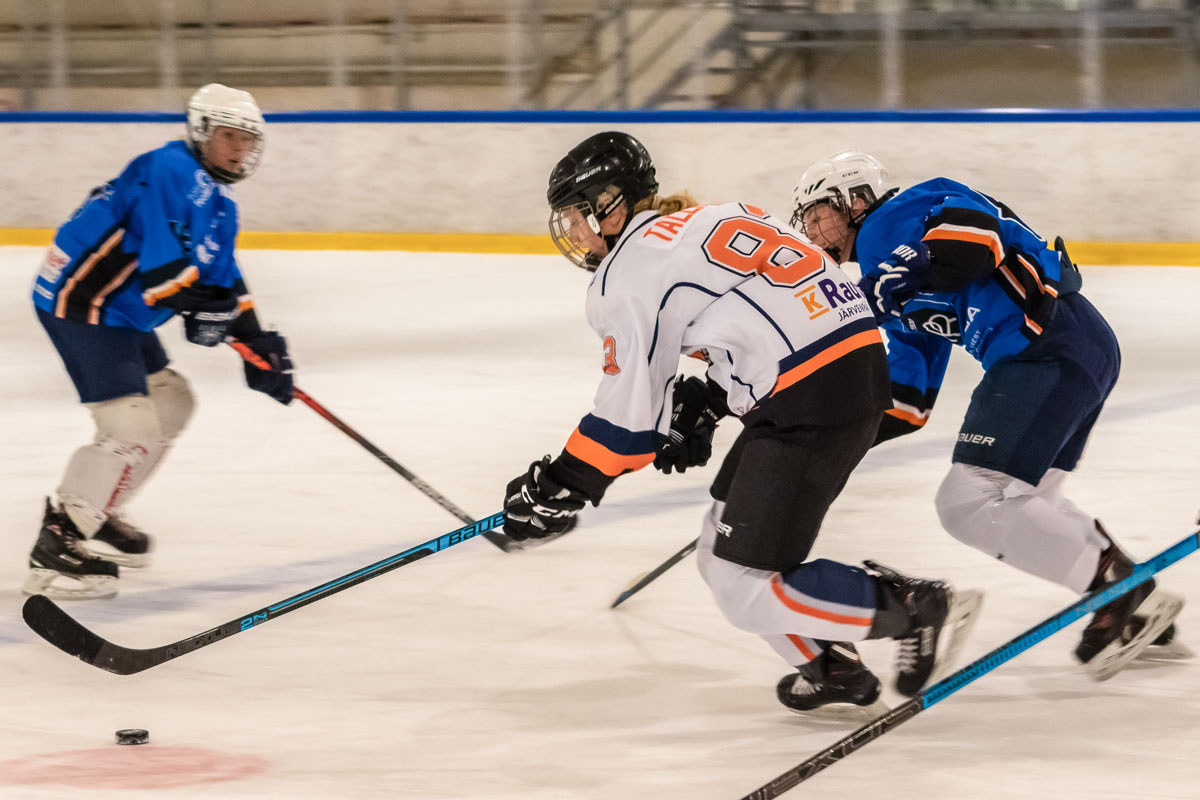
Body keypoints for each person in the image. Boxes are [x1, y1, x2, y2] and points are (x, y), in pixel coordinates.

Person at [501, 131, 979, 715]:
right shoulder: (715, 216)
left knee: (743, 585)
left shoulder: (629, 268)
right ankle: (830, 666)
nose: (574, 233)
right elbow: (769, 319)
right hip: (835, 377)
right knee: (717, 551)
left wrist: (560, 484)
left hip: (811, 395)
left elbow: (626, 427)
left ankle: (913, 607)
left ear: (611, 204)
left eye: (578, 215)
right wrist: (707, 404)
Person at [791, 151, 1183, 679]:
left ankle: (1117, 588)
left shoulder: (893, 218)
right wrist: (831, 435)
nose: (812, 231)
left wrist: (900, 271)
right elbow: (906, 400)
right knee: (1024, 499)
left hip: (1042, 347)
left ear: (855, 200)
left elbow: (979, 236)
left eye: (818, 215)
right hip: (1075, 346)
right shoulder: (889, 279)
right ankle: (1133, 601)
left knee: (967, 501)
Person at [26, 83, 294, 601]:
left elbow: (224, 280)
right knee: (131, 423)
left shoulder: (220, 202)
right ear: (200, 132)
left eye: (247, 139)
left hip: (121, 309)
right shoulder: (169, 170)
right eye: (229, 136)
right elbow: (164, 279)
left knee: (172, 401)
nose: (240, 149)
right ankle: (58, 542)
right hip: (80, 300)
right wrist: (210, 314)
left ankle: (95, 510)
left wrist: (259, 342)